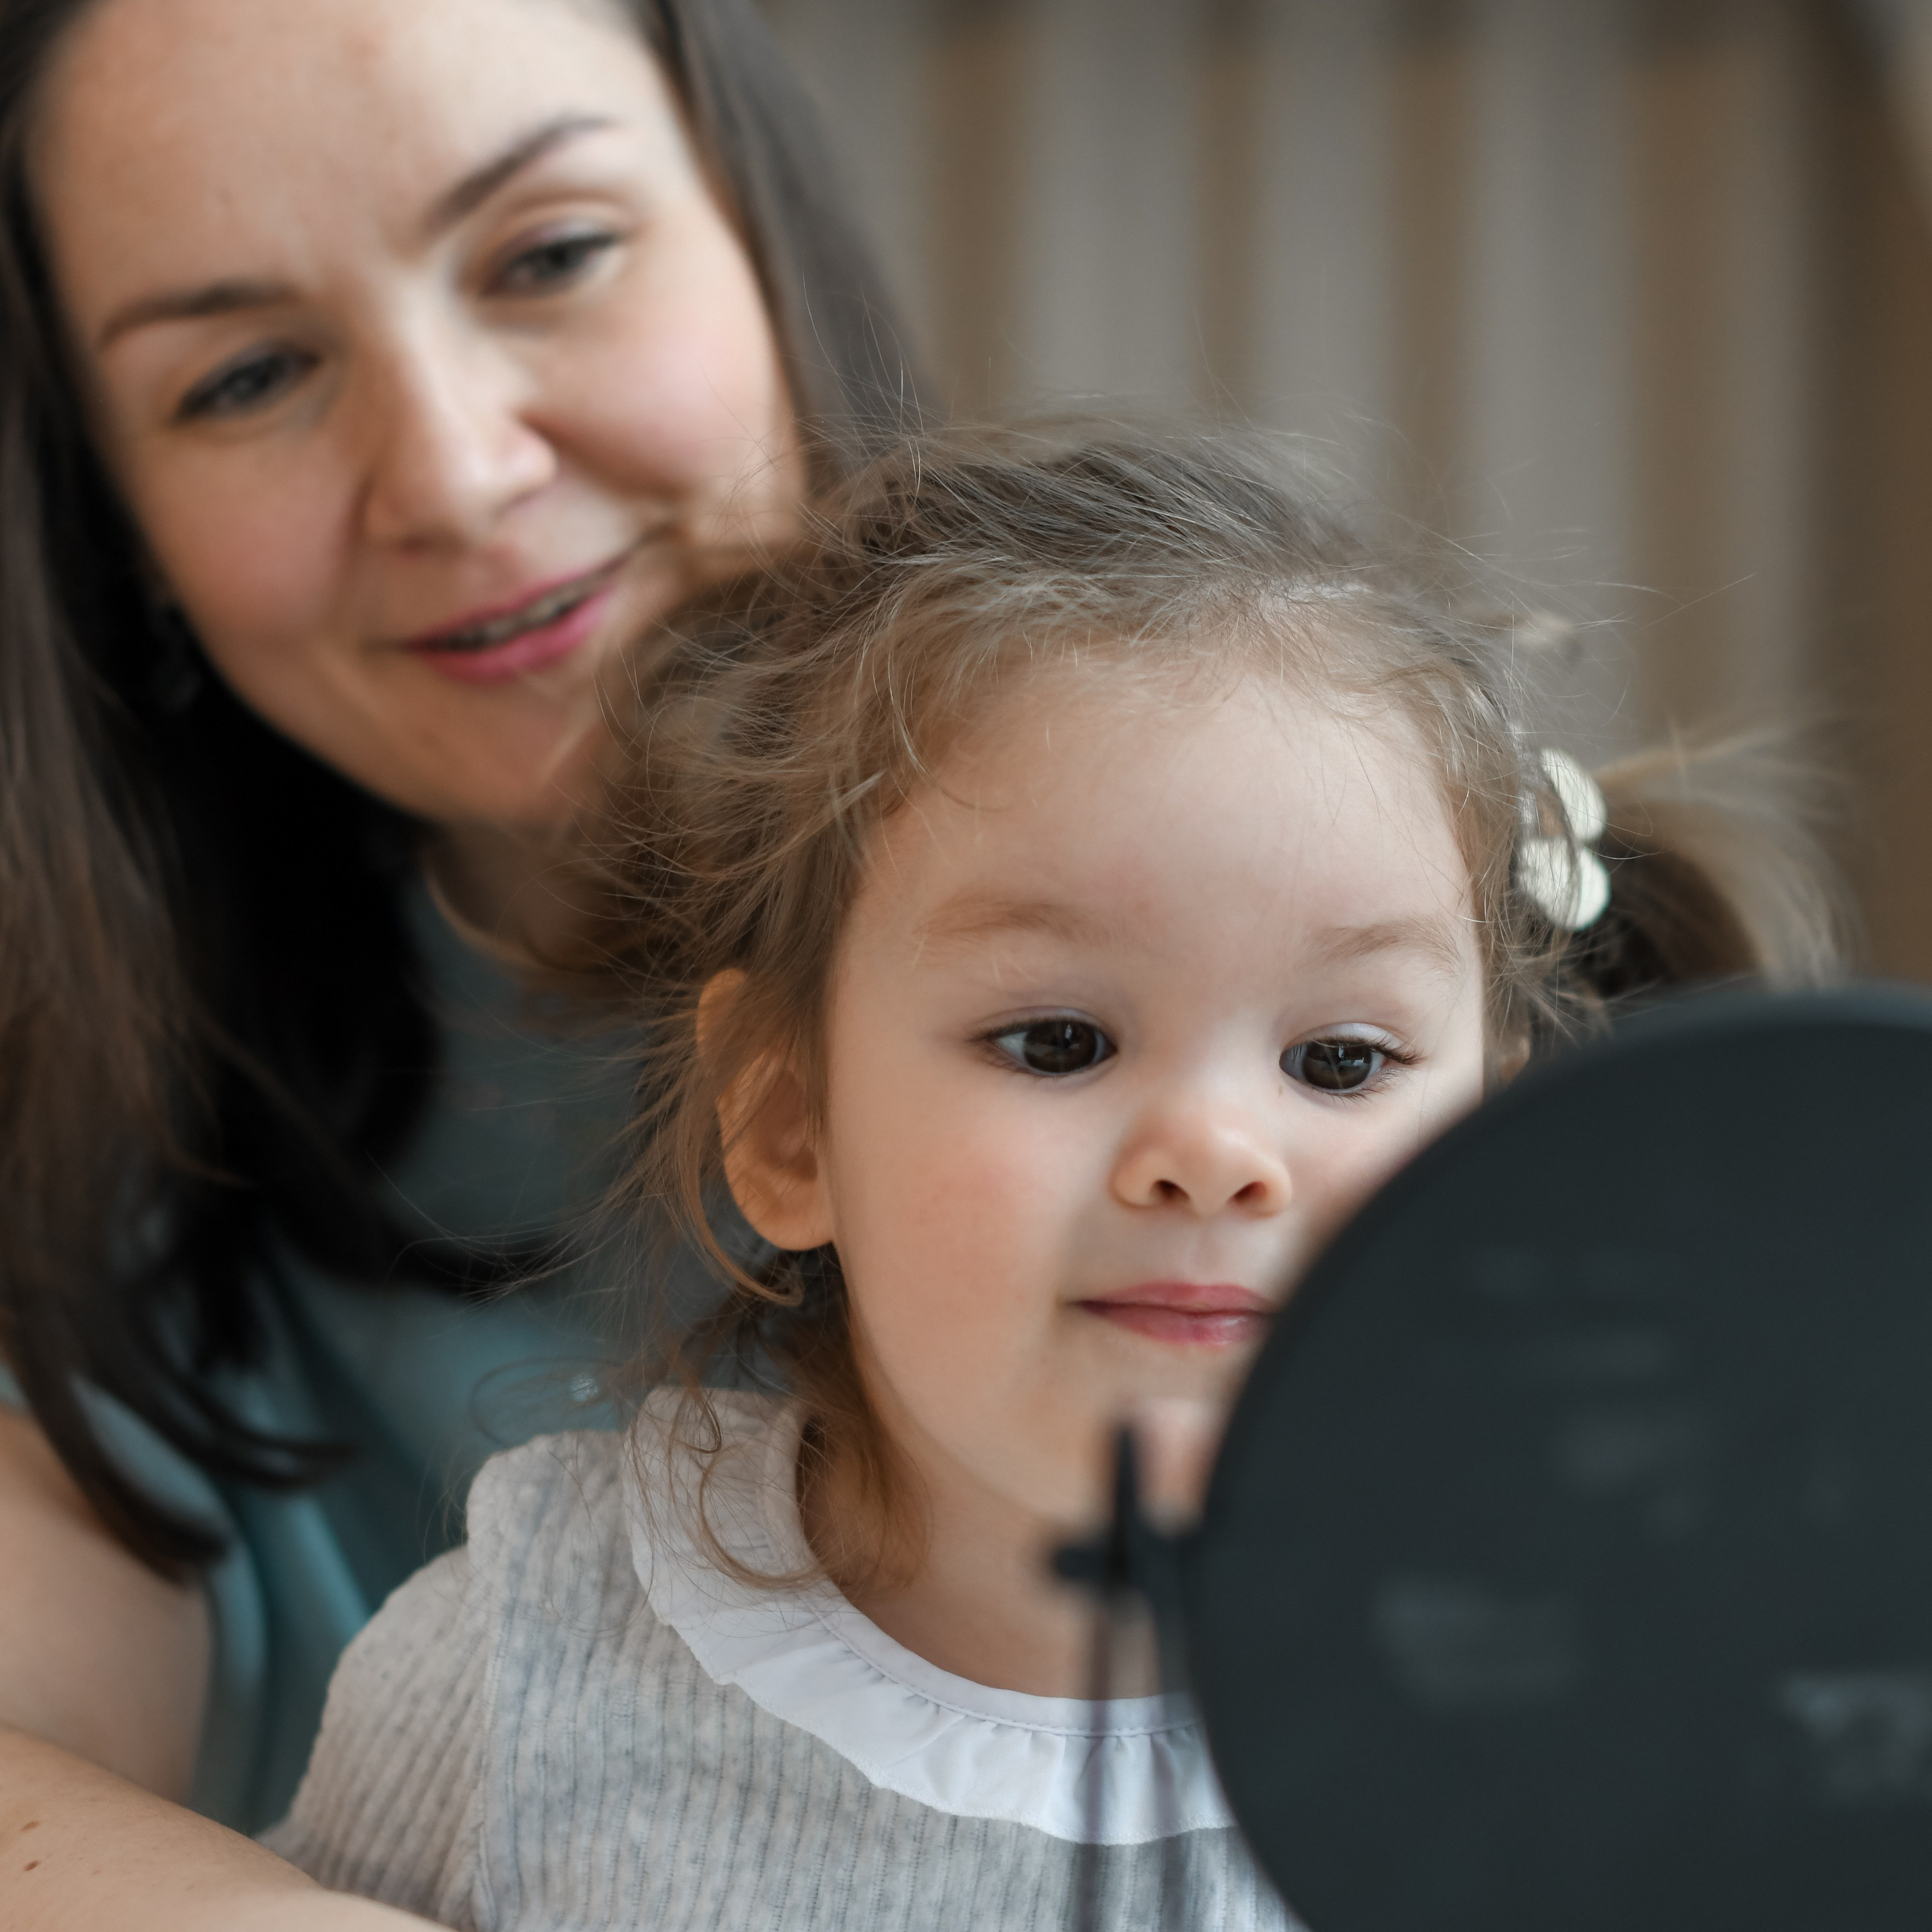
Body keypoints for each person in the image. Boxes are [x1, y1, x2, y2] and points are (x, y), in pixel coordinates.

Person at [263, 426, 1842, 1931]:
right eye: (1058, 1037)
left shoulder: (1599, 1697)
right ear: (789, 1123)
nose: (1215, 1153)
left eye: (1341, 1062)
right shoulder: (530, 1654)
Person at [0, 0, 915, 1922]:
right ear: (120, 526)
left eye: (552, 255)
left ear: (758, 230)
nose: (452, 471)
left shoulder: (1330, 973)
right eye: (245, 375)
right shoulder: (121, 1186)